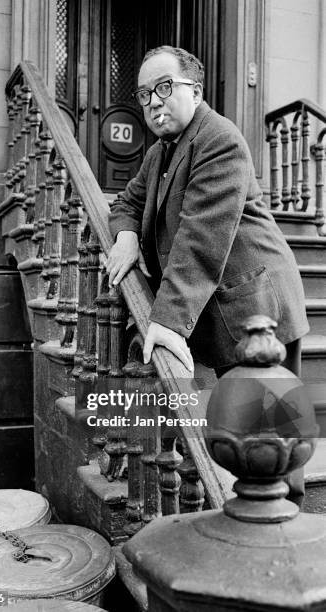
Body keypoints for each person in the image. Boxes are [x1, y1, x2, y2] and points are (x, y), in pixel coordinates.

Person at [106, 46, 310, 506]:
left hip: (256, 304)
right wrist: (125, 238)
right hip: (223, 302)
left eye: (164, 88)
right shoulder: (161, 151)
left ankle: (285, 528)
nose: (154, 103)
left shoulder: (219, 139)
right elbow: (126, 203)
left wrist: (166, 321)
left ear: (195, 91)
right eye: (144, 94)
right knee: (246, 427)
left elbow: (201, 238)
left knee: (273, 433)